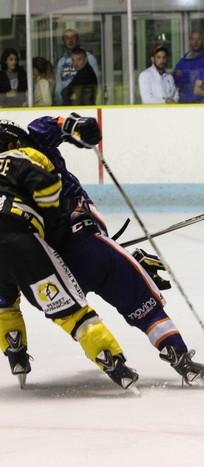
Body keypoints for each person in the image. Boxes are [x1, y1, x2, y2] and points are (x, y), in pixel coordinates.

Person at [22, 114, 204, 387]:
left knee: (77, 319)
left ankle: (111, 361)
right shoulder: (34, 142)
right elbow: (53, 126)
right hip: (87, 241)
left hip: (49, 265)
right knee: (142, 304)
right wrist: (78, 126)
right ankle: (179, 356)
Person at [0, 121, 138, 389]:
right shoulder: (22, 156)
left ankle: (15, 353)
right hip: (21, 240)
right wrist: (55, 222)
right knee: (70, 310)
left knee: (4, 302)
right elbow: (47, 185)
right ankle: (113, 362)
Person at [54, 29, 100, 105]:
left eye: (73, 37)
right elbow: (58, 87)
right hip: (66, 104)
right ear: (63, 41)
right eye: (67, 38)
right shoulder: (61, 62)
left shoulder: (89, 58)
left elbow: (95, 86)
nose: (70, 40)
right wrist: (59, 104)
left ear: (77, 40)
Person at [173, 31, 204, 104]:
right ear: (189, 41)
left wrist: (186, 75)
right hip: (184, 102)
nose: (195, 42)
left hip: (202, 102)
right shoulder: (183, 61)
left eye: (198, 39)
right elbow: (176, 80)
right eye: (193, 39)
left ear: (202, 41)